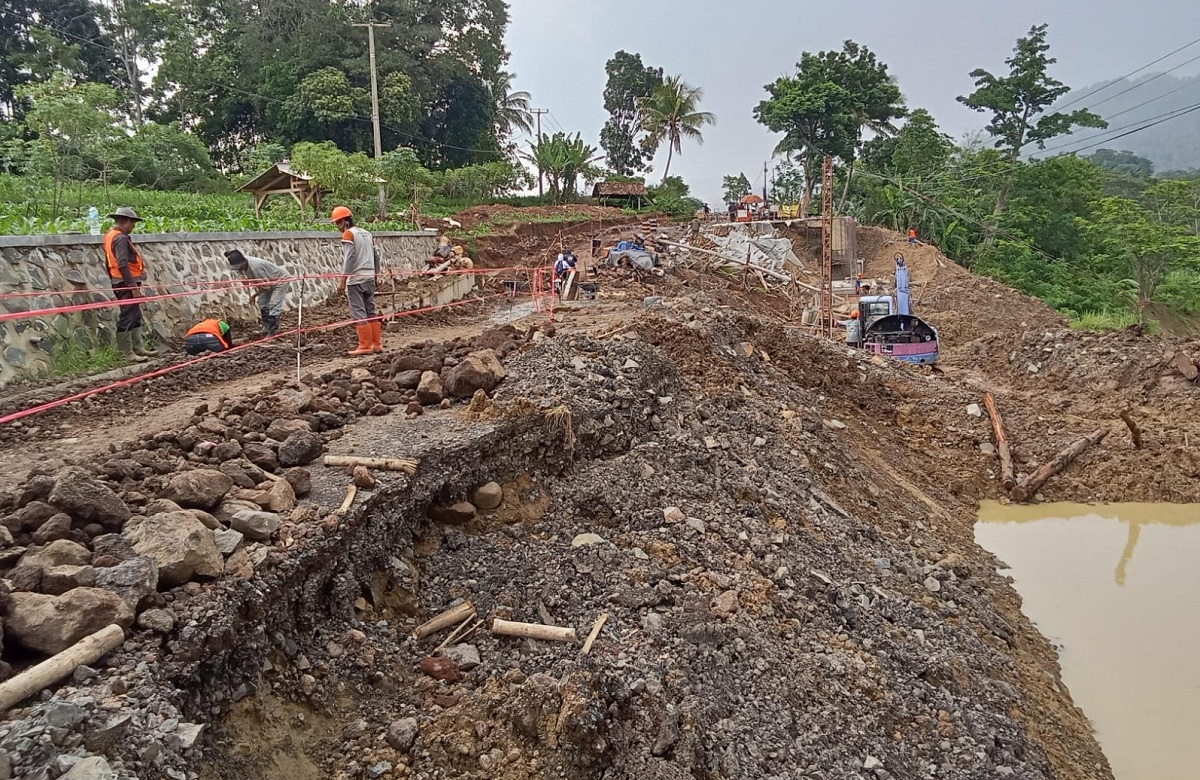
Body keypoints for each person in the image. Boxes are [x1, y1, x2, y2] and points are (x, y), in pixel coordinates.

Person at [103, 207, 158, 362]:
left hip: (120, 281)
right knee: (127, 315)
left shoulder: (110, 236)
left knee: (135, 314)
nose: (133, 226)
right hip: (126, 283)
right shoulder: (120, 238)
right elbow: (122, 263)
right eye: (133, 223)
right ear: (126, 221)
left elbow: (108, 262)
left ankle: (138, 347)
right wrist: (133, 287)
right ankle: (127, 353)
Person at [331, 206, 382, 356]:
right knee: (371, 311)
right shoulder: (367, 234)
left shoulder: (349, 234)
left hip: (356, 280)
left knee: (359, 312)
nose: (338, 226)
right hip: (369, 277)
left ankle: (364, 345)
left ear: (345, 221)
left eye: (338, 223)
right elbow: (376, 257)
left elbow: (350, 258)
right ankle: (376, 344)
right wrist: (376, 275)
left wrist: (343, 280)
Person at [224, 249, 288, 337]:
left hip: (280, 280)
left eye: (239, 266)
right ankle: (266, 328)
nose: (238, 268)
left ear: (243, 262)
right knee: (262, 303)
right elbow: (238, 271)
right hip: (267, 281)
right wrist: (242, 277)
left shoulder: (256, 268)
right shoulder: (242, 263)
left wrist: (254, 296)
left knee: (274, 304)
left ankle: (273, 331)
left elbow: (265, 287)